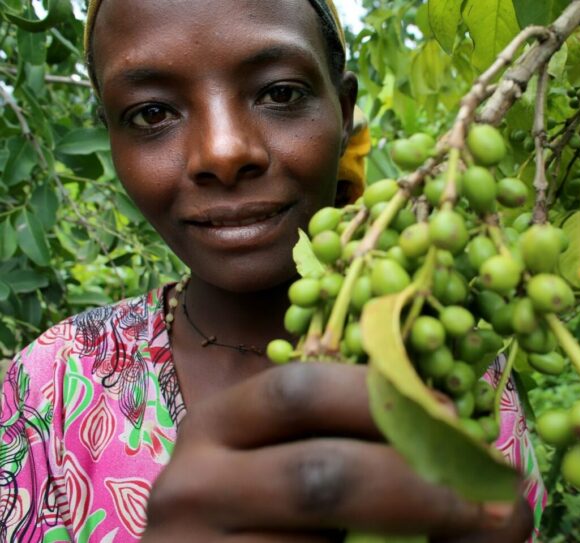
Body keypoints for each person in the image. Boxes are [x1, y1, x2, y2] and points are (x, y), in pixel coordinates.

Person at [0, 1, 545, 541]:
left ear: (344, 109)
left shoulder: (455, 363)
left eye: (279, 93)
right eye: (151, 113)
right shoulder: (49, 389)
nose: (223, 152)